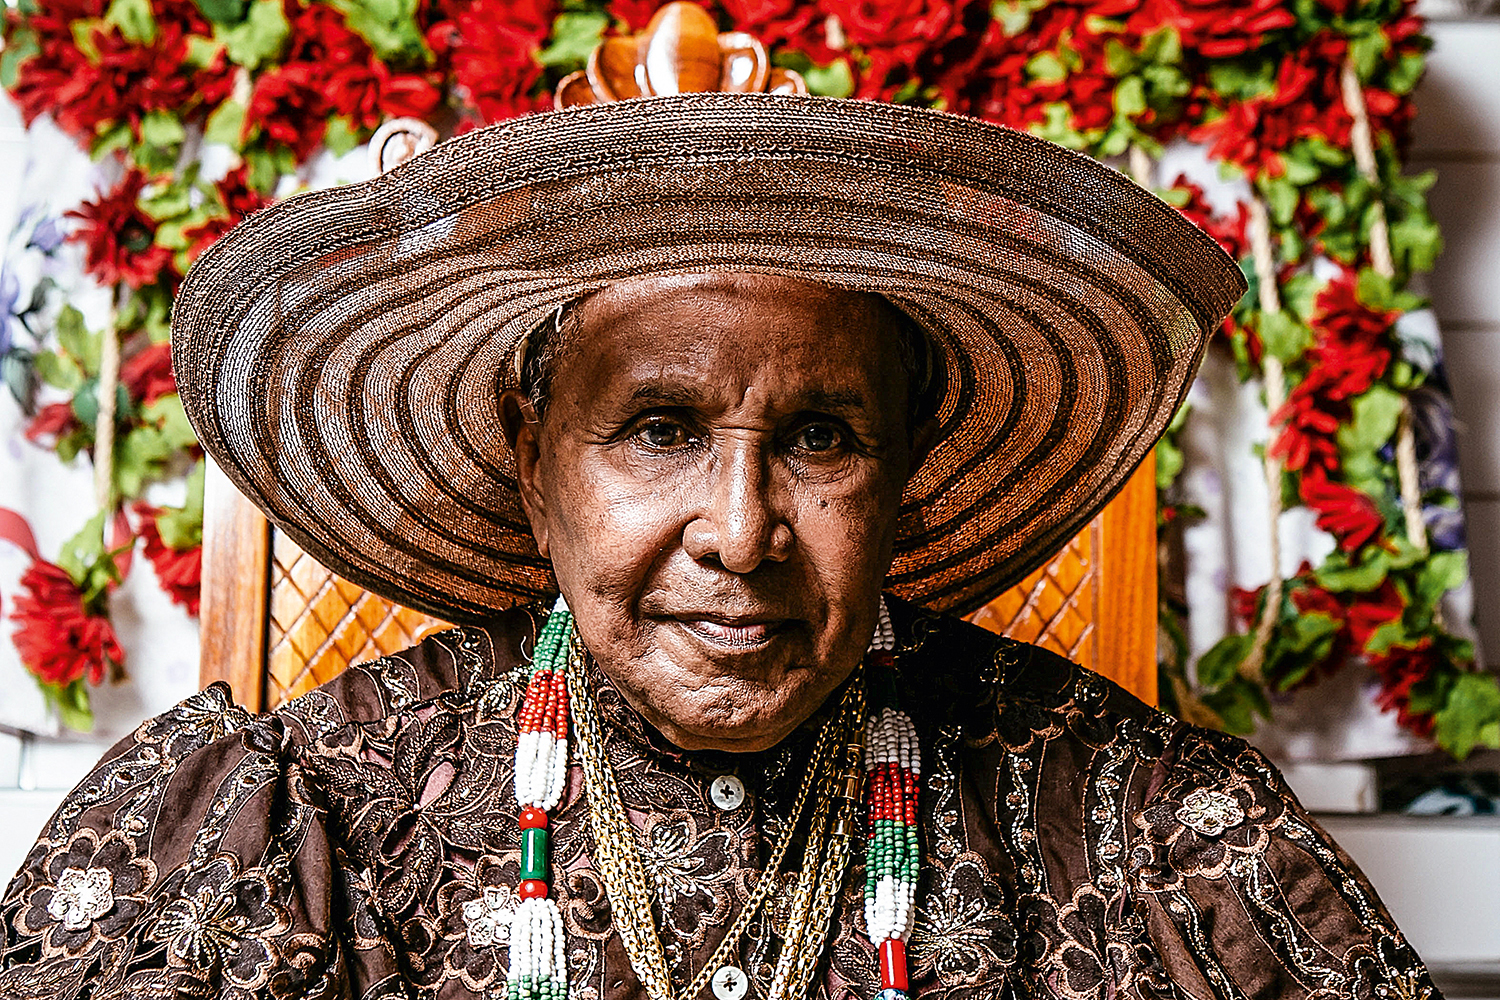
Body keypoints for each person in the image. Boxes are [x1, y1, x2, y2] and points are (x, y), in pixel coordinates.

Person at [0, 92, 1440, 1000]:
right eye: (658, 428)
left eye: (822, 438)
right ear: (532, 465)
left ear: (911, 480)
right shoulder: (315, 819)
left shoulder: (1135, 827)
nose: (742, 534)